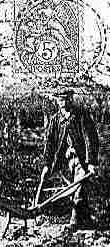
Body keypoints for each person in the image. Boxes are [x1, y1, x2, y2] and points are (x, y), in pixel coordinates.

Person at [34, 88, 100, 230]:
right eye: (60, 99)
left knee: (79, 187)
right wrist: (46, 165)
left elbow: (91, 138)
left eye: (66, 99)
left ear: (71, 99)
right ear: (57, 101)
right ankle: (86, 219)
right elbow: (50, 145)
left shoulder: (81, 116)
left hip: (82, 160)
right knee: (70, 189)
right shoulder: (55, 120)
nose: (63, 102)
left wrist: (92, 162)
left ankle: (74, 221)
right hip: (64, 161)